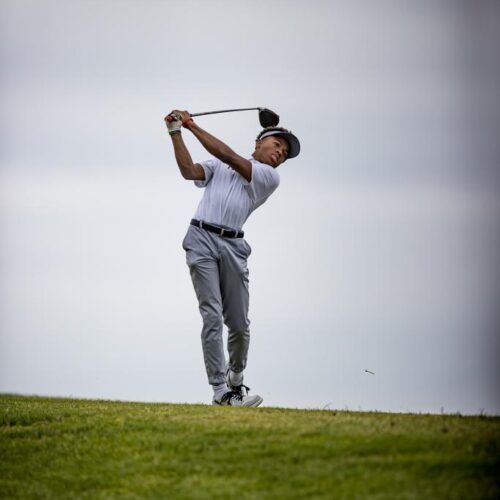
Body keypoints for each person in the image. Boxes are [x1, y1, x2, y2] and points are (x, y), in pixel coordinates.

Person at [165, 109, 300, 407]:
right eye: (277, 144)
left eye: (285, 153)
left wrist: (192, 125)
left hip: (234, 247)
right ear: (260, 141)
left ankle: (235, 377)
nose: (280, 153)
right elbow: (189, 171)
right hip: (200, 238)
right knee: (211, 315)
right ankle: (220, 392)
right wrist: (176, 133)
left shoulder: (268, 177)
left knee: (238, 323)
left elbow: (228, 156)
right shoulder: (218, 165)